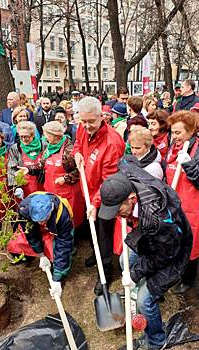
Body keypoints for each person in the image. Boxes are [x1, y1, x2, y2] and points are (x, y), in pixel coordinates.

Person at [99, 160, 193, 350]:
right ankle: (143, 290)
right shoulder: (127, 174)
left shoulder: (156, 219)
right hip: (153, 240)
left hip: (173, 253)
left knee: (144, 300)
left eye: (119, 211)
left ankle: (157, 340)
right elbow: (127, 161)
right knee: (124, 260)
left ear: (132, 198)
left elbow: (164, 255)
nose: (118, 216)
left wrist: (135, 275)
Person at [73, 96, 125, 295]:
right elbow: (78, 143)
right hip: (89, 187)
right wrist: (78, 153)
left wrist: (95, 203)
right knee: (91, 226)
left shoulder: (112, 143)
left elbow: (108, 182)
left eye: (91, 122)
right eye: (83, 121)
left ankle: (105, 271)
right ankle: (96, 255)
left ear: (102, 117)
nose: (86, 126)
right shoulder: (83, 127)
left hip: (106, 195)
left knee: (103, 232)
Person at [164, 110, 199, 293]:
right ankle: (175, 272)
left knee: (191, 244)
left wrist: (189, 164)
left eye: (178, 132)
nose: (174, 136)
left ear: (192, 130)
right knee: (175, 241)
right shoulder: (173, 148)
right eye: (172, 132)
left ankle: (188, 278)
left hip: (193, 210)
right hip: (174, 205)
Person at [17, 192, 75, 298]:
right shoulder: (24, 209)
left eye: (43, 219)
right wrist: (41, 254)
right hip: (43, 224)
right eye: (38, 220)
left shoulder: (62, 216)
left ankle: (61, 272)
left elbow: (63, 245)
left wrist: (57, 278)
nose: (41, 223)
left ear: (51, 210)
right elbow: (31, 234)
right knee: (16, 243)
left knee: (58, 253)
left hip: (59, 228)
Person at [7, 121, 44, 197]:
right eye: (21, 136)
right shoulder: (16, 148)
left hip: (42, 184)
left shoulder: (44, 146)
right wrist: (16, 187)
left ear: (33, 135)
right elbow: (12, 169)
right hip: (24, 186)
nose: (23, 139)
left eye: (26, 136)